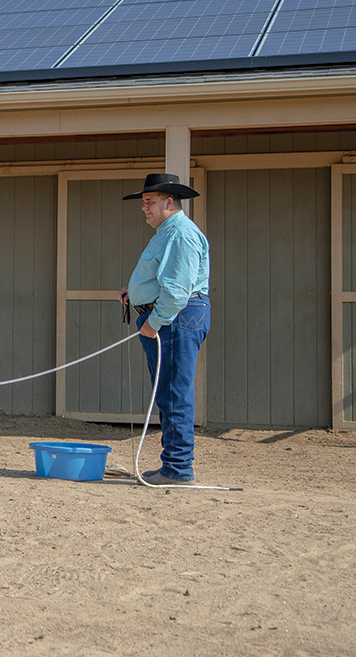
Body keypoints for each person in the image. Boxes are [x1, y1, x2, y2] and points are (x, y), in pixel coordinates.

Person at [118, 173, 211, 486]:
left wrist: (153, 323)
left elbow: (177, 290)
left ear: (169, 202)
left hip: (176, 319)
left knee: (173, 393)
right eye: (144, 203)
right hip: (173, 317)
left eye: (150, 202)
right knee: (169, 391)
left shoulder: (180, 234)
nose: (144, 208)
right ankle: (174, 465)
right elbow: (164, 279)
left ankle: (178, 468)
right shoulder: (167, 231)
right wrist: (136, 292)